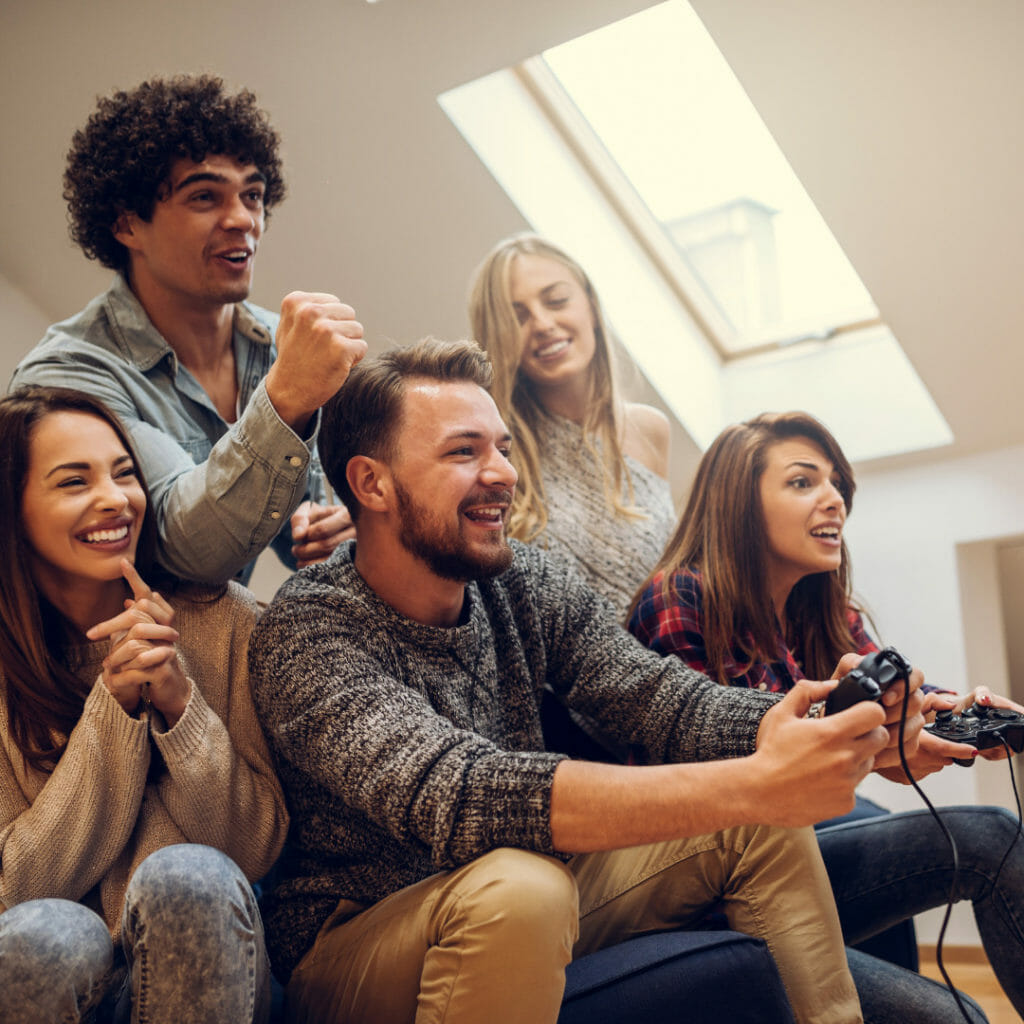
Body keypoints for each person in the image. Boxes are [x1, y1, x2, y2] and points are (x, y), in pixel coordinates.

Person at [248, 338, 936, 1024]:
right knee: (524, 887)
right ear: (372, 484)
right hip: (353, 943)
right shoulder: (310, 627)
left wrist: (819, 727)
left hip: (522, 886)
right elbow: (463, 795)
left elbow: (658, 698)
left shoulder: (522, 579)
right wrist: (754, 779)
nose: (502, 474)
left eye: (504, 448)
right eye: (465, 452)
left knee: (748, 822)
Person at [628, 410, 1024, 1017]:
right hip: (724, 883)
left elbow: (905, 698)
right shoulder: (680, 598)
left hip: (804, 851)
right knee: (960, 1008)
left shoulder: (827, 613)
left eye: (837, 483)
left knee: (990, 837)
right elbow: (717, 782)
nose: (833, 499)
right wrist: (858, 744)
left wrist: (956, 712)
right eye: (803, 482)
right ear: (738, 502)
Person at [0, 386, 288, 1023]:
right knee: (44, 934)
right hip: (57, 988)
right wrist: (115, 707)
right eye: (75, 481)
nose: (115, 498)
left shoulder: (223, 621)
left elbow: (256, 848)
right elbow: (11, 893)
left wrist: (181, 705)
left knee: (187, 877)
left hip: (220, 979)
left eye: (124, 473)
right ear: (11, 511)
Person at [10, 74, 367, 586]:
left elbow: (296, 533)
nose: (242, 219)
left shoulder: (282, 345)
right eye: (205, 197)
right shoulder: (67, 375)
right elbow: (186, 549)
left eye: (253, 195)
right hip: (103, 652)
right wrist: (286, 398)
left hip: (207, 648)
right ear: (126, 224)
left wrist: (335, 531)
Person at [468, 234, 675, 621]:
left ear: (591, 307)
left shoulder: (651, 428)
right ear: (499, 337)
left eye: (557, 300)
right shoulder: (491, 454)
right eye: (518, 316)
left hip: (665, 668)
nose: (544, 324)